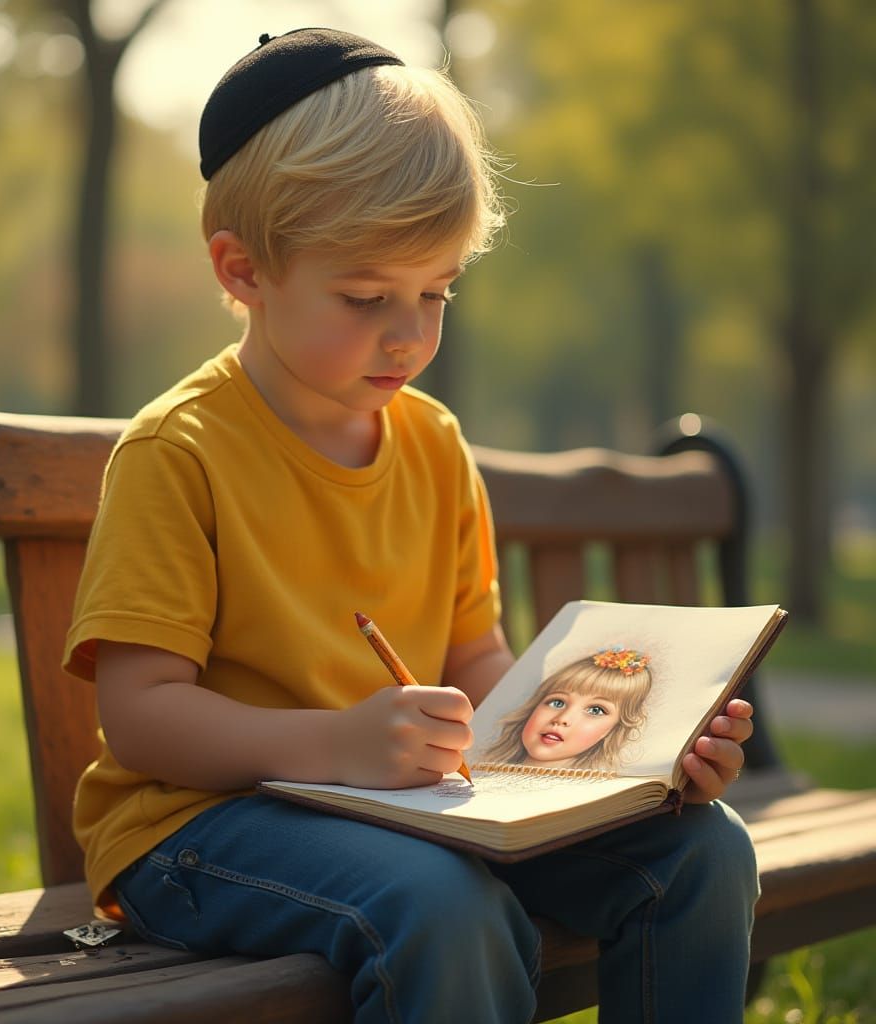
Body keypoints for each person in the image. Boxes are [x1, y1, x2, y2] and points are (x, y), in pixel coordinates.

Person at [63, 27, 759, 1024]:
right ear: (245, 268)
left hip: (402, 814)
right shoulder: (180, 449)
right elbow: (140, 716)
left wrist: (628, 768)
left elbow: (477, 659)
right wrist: (338, 744)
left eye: (435, 292)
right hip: (198, 830)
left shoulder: (432, 445)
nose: (411, 333)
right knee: (441, 908)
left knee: (700, 851)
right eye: (366, 295)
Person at [481, 647, 653, 770]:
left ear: (612, 729)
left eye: (595, 710)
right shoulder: (483, 767)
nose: (563, 718)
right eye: (557, 702)